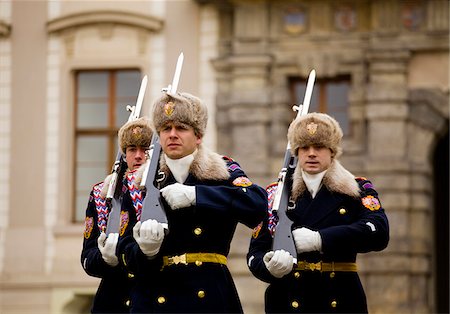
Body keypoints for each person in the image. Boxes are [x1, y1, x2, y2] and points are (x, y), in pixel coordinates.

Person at [118, 92, 268, 313]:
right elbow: (124, 253)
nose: (173, 135)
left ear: (198, 136)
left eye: (181, 128)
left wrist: (197, 195)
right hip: (156, 298)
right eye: (166, 129)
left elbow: (257, 206)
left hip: (208, 295)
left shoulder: (222, 170)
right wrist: (145, 250)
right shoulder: (139, 181)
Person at [247, 112, 389, 313]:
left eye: (319, 147)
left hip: (338, 299)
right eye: (304, 147)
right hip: (288, 300)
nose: (311, 153)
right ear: (296, 152)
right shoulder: (275, 194)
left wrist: (320, 239)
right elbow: (255, 254)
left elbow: (379, 232)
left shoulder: (357, 189)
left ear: (332, 151)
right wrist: (269, 267)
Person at [81, 117, 152, 313]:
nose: (138, 156)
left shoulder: (162, 188)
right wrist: (106, 259)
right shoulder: (102, 193)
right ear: (124, 154)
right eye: (131, 149)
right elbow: (87, 258)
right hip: (113, 300)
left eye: (145, 149)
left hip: (152, 296)